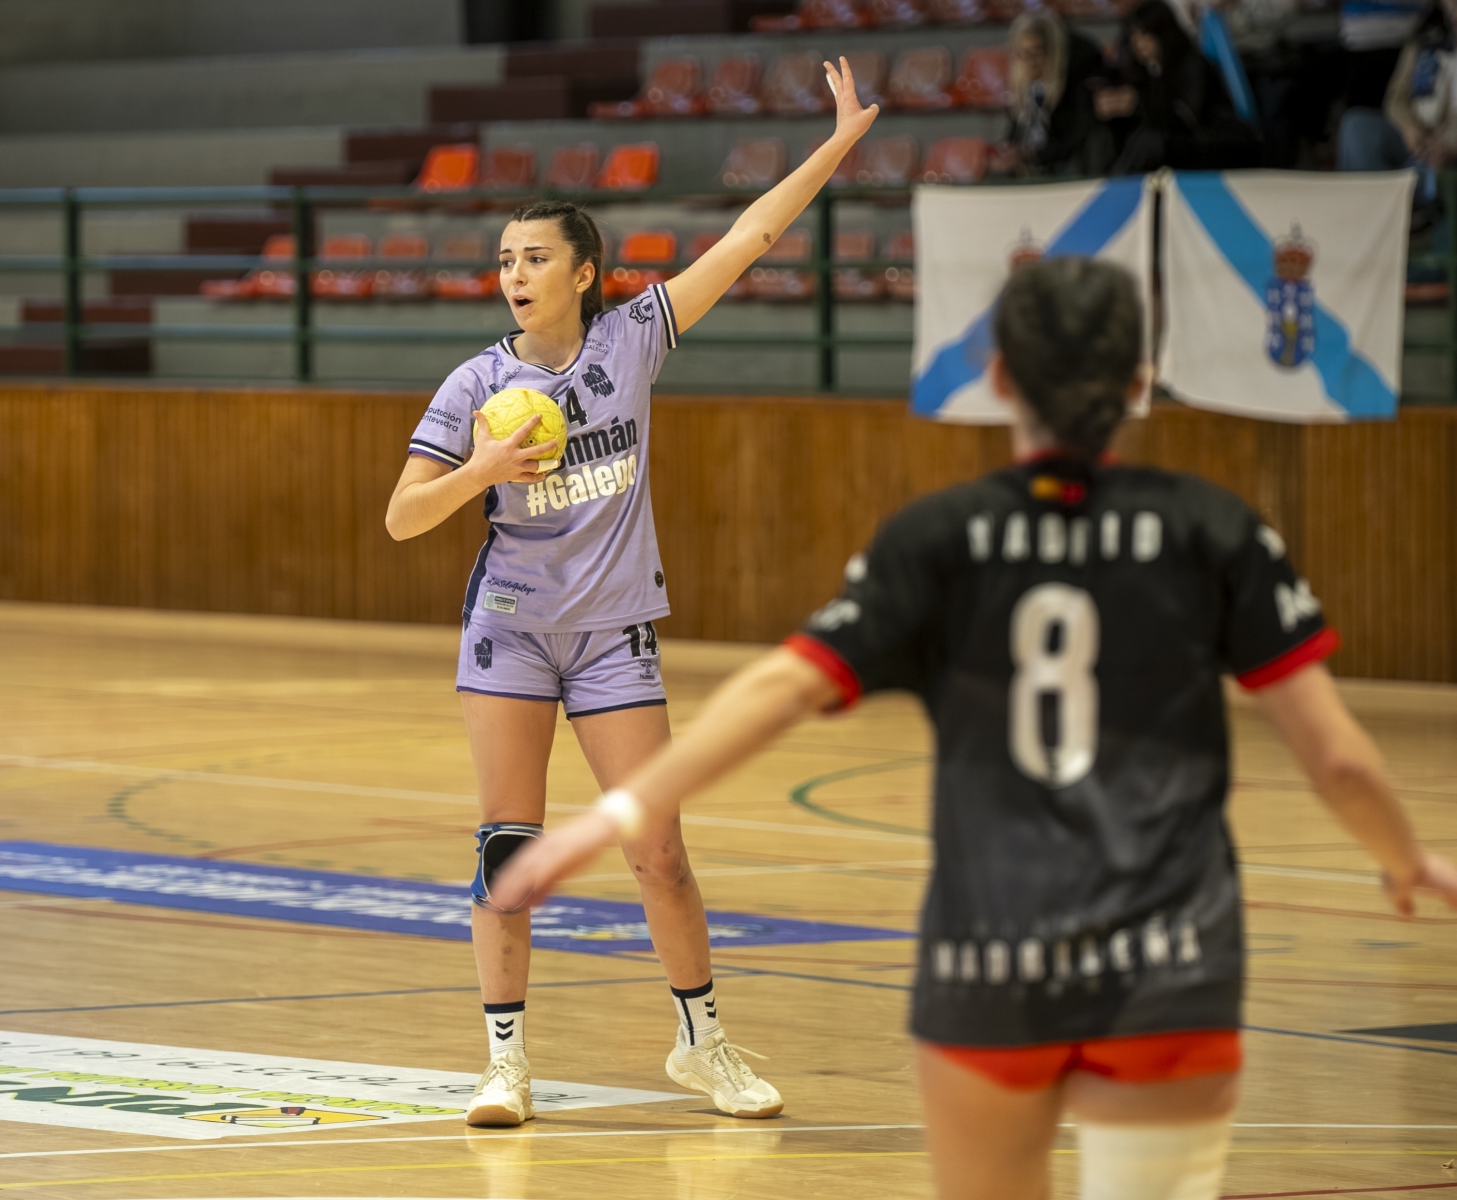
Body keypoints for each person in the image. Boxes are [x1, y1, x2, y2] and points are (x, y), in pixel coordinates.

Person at [494, 258, 1457, 1197]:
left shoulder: (939, 538)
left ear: (999, 379)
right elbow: (1337, 757)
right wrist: (1403, 857)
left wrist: (607, 819)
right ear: (1141, 382)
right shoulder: (1215, 529)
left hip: (987, 959)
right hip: (1171, 961)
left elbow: (775, 694)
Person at [383, 59, 878, 1129]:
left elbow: (748, 238)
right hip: (511, 632)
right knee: (507, 850)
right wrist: (481, 472)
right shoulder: (476, 385)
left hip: (614, 635)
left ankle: (704, 1045)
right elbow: (402, 516)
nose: (514, 274)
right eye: (504, 260)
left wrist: (837, 145)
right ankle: (505, 1065)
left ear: (584, 272)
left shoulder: (632, 339)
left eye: (534, 258)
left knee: (658, 851)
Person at [1097, 0, 1261, 172]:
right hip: (1176, 145)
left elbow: (1188, 118)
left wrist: (1139, 104)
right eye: (1134, 36)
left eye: (1145, 34)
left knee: (1151, 140)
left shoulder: (1191, 63)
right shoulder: (1144, 69)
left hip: (1208, 142)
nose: (1139, 44)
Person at [1339, 0, 1456, 214]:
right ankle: (1373, 220)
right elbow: (1396, 98)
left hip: (1450, 151)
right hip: (1420, 140)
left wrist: (1450, 147)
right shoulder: (1427, 36)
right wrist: (1409, 128)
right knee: (1357, 127)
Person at [996, 14, 1116, 177]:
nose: (1030, 62)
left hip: (1068, 169)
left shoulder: (1073, 85)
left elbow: (1074, 140)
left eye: (1036, 53)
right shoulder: (1025, 90)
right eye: (1023, 54)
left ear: (1052, 53)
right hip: (1034, 167)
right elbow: (1017, 135)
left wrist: (1032, 154)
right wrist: (1007, 152)